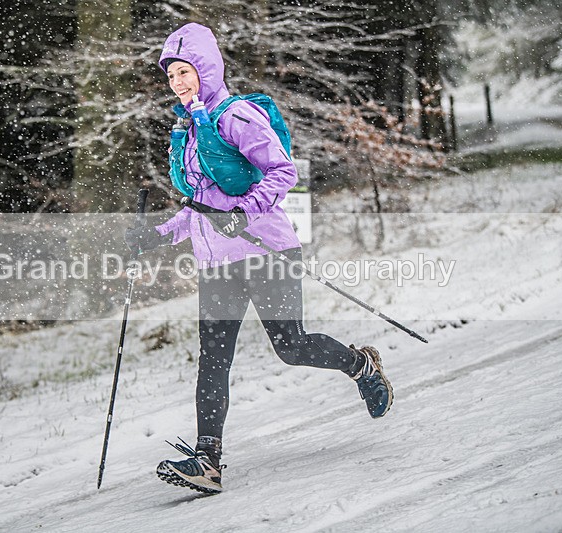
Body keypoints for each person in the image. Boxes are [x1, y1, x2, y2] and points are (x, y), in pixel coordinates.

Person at [125, 22, 393, 494]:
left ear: (206, 69)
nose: (179, 82)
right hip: (216, 262)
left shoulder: (238, 115)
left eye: (186, 71)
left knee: (290, 346)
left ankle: (361, 365)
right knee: (213, 358)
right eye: (172, 76)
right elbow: (201, 202)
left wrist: (245, 212)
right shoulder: (187, 129)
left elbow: (282, 171)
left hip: (266, 250)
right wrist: (157, 235)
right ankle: (208, 461)